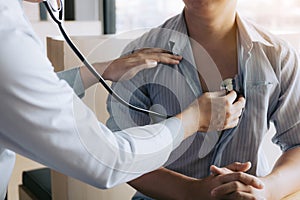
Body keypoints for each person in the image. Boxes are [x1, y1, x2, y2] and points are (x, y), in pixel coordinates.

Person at [0, 0, 248, 200]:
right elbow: (107, 160)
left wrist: (99, 70)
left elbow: (22, 94)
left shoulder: (273, 54)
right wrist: (193, 119)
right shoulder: (7, 36)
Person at [105, 0, 300, 199]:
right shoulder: (139, 56)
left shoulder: (278, 56)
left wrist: (266, 189)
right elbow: (120, 155)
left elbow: (297, 144)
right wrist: (192, 191)